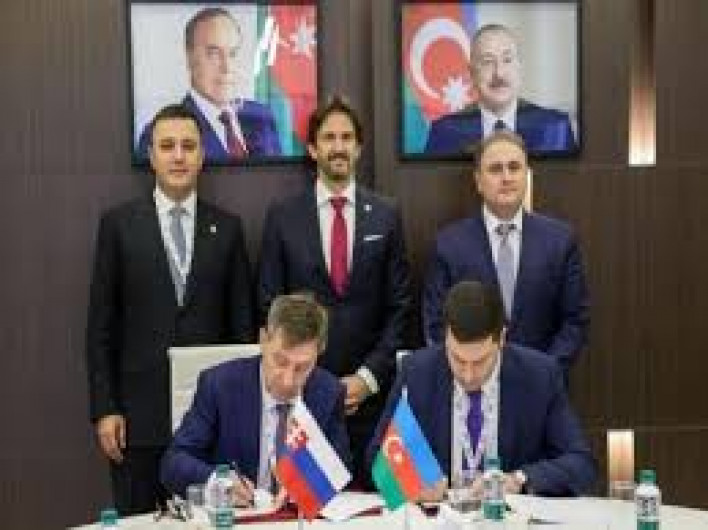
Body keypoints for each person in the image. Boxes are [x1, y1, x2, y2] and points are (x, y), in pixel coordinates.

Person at [86, 104, 255, 515]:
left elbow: (243, 328)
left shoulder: (228, 228)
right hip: (137, 421)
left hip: (209, 422)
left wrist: (240, 413)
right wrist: (105, 409)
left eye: (188, 146)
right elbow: (101, 328)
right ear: (151, 155)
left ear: (202, 155)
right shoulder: (118, 226)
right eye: (167, 146)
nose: (178, 156)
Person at [258, 95, 412, 487]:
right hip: (305, 396)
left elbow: (400, 308)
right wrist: (315, 382)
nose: (338, 146)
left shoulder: (387, 215)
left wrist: (367, 378)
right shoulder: (283, 216)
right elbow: (270, 302)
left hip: (374, 399)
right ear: (313, 149)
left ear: (359, 148)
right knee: (311, 502)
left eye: (346, 138)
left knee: (379, 504)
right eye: (329, 138)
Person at [369, 281, 596, 498]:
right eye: (458, 360)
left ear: (501, 339)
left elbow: (581, 463)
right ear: (446, 336)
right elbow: (377, 458)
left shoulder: (539, 376)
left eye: (479, 362)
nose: (468, 376)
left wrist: (518, 480)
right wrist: (412, 481)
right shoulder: (417, 373)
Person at [422, 130, 589, 375]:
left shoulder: (561, 240)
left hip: (542, 385)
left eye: (514, 167)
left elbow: (575, 321)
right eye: (495, 169)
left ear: (526, 175)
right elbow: (436, 325)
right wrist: (471, 372)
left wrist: (544, 372)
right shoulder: (448, 244)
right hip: (471, 382)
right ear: (478, 181)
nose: (507, 177)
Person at [160, 293, 351, 507]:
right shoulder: (220, 386)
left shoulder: (328, 392)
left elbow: (340, 469)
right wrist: (217, 482)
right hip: (236, 516)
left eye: (302, 368)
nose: (288, 380)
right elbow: (174, 463)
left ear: (319, 353)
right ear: (263, 340)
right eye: (280, 361)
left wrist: (309, 485)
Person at [137, 7, 281, 162]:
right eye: (213, 53)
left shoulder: (261, 116)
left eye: (232, 53)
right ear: (189, 58)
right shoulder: (160, 133)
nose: (227, 67)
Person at [425, 23, 577, 156]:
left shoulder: (556, 128)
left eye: (507, 60)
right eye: (487, 62)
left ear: (519, 67)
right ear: (472, 73)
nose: (499, 73)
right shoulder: (444, 132)